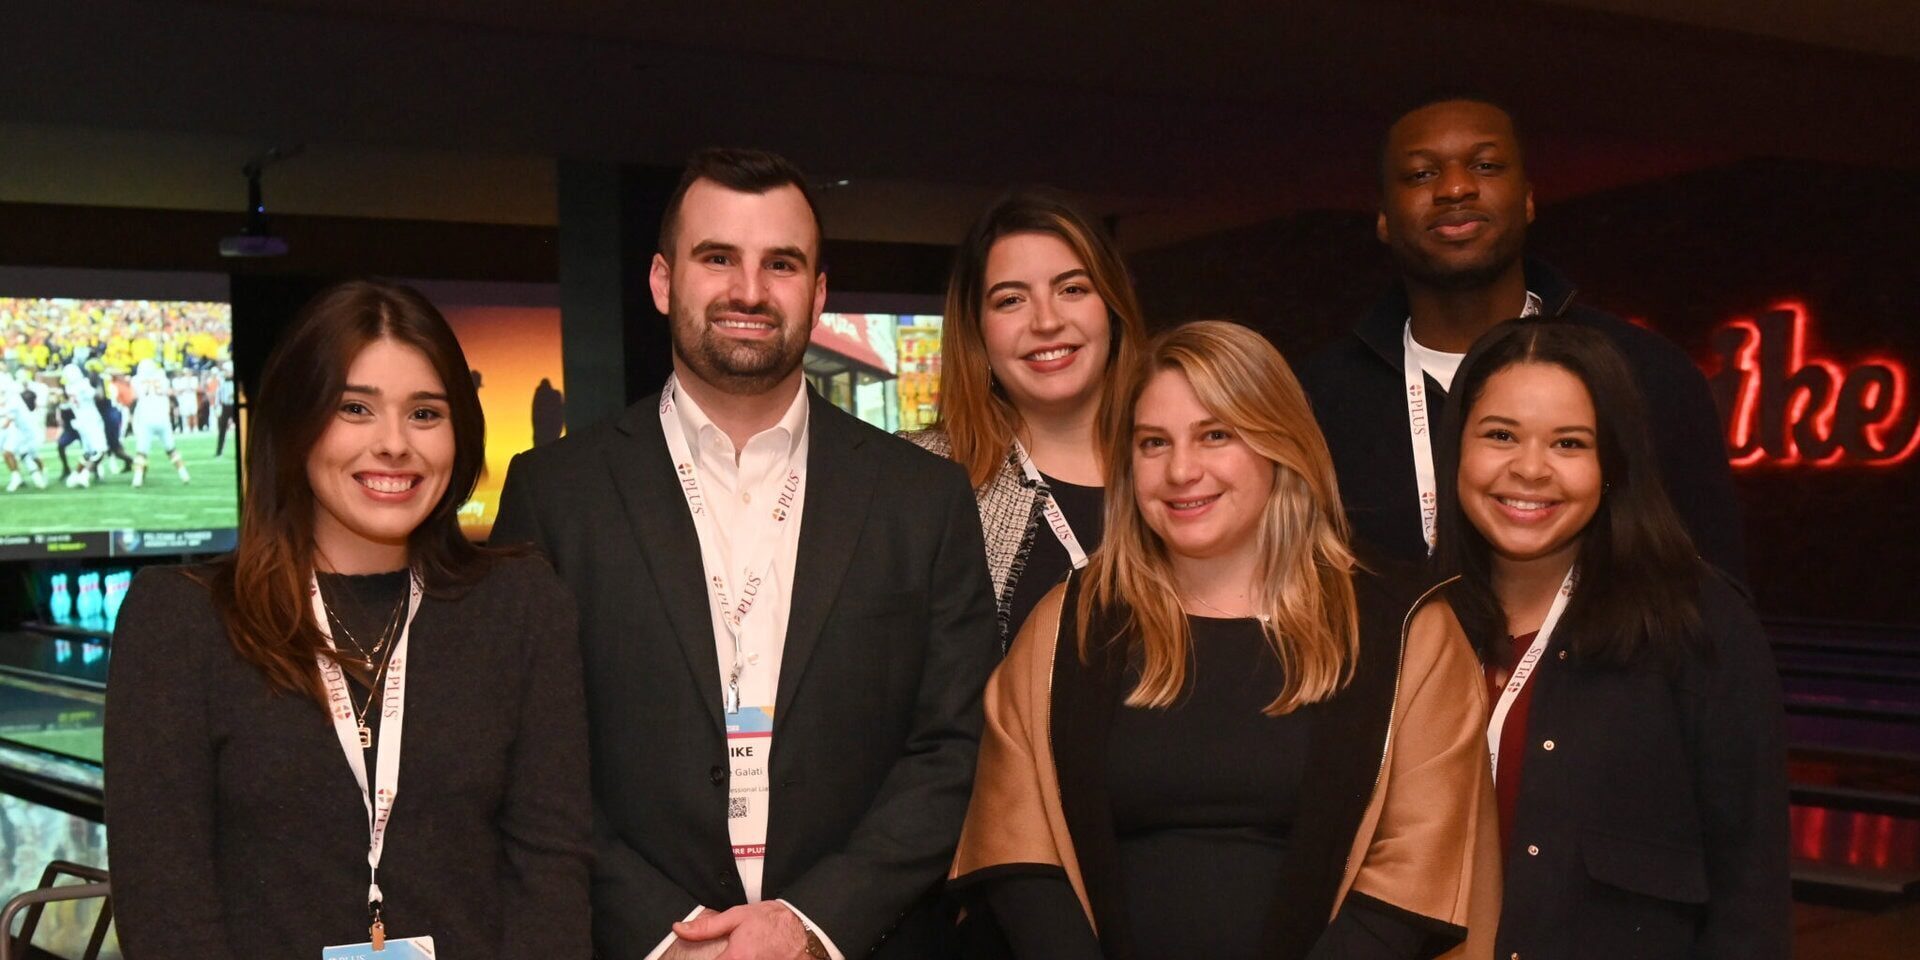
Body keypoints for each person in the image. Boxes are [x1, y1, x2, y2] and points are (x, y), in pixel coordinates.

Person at [492, 148, 998, 960]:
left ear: (819, 293)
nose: (750, 291)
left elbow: (955, 744)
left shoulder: (923, 499)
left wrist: (812, 923)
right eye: (717, 258)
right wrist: (668, 935)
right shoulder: (556, 495)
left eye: (782, 264)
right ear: (662, 282)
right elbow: (530, 752)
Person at [952, 321, 1500, 960]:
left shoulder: (1407, 629)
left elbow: (1422, 865)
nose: (1182, 470)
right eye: (1154, 443)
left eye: (1216, 435)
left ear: (1280, 444)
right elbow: (1016, 847)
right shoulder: (1071, 624)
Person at [105, 280, 592, 958]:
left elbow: (551, 876)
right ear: (295, 423)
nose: (394, 444)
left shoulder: (520, 607)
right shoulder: (182, 624)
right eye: (354, 409)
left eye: (426, 414)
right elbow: (166, 905)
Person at [1433, 319, 1789, 959]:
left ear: (1611, 465)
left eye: (1569, 443)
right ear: (1456, 449)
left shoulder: (1696, 623)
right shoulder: (1412, 622)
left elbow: (1751, 892)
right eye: (1500, 435)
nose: (1530, 469)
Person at [1298, 97, 1744, 578]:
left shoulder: (1646, 373)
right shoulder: (1317, 398)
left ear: (1529, 199)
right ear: (1383, 216)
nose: (1455, 187)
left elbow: (1714, 587)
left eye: (1485, 165)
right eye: (1422, 174)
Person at [905, 192, 1147, 647]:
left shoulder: (1185, 462)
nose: (1047, 321)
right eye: (1011, 299)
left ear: (1111, 309)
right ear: (976, 329)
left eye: (1072, 289)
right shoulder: (921, 479)